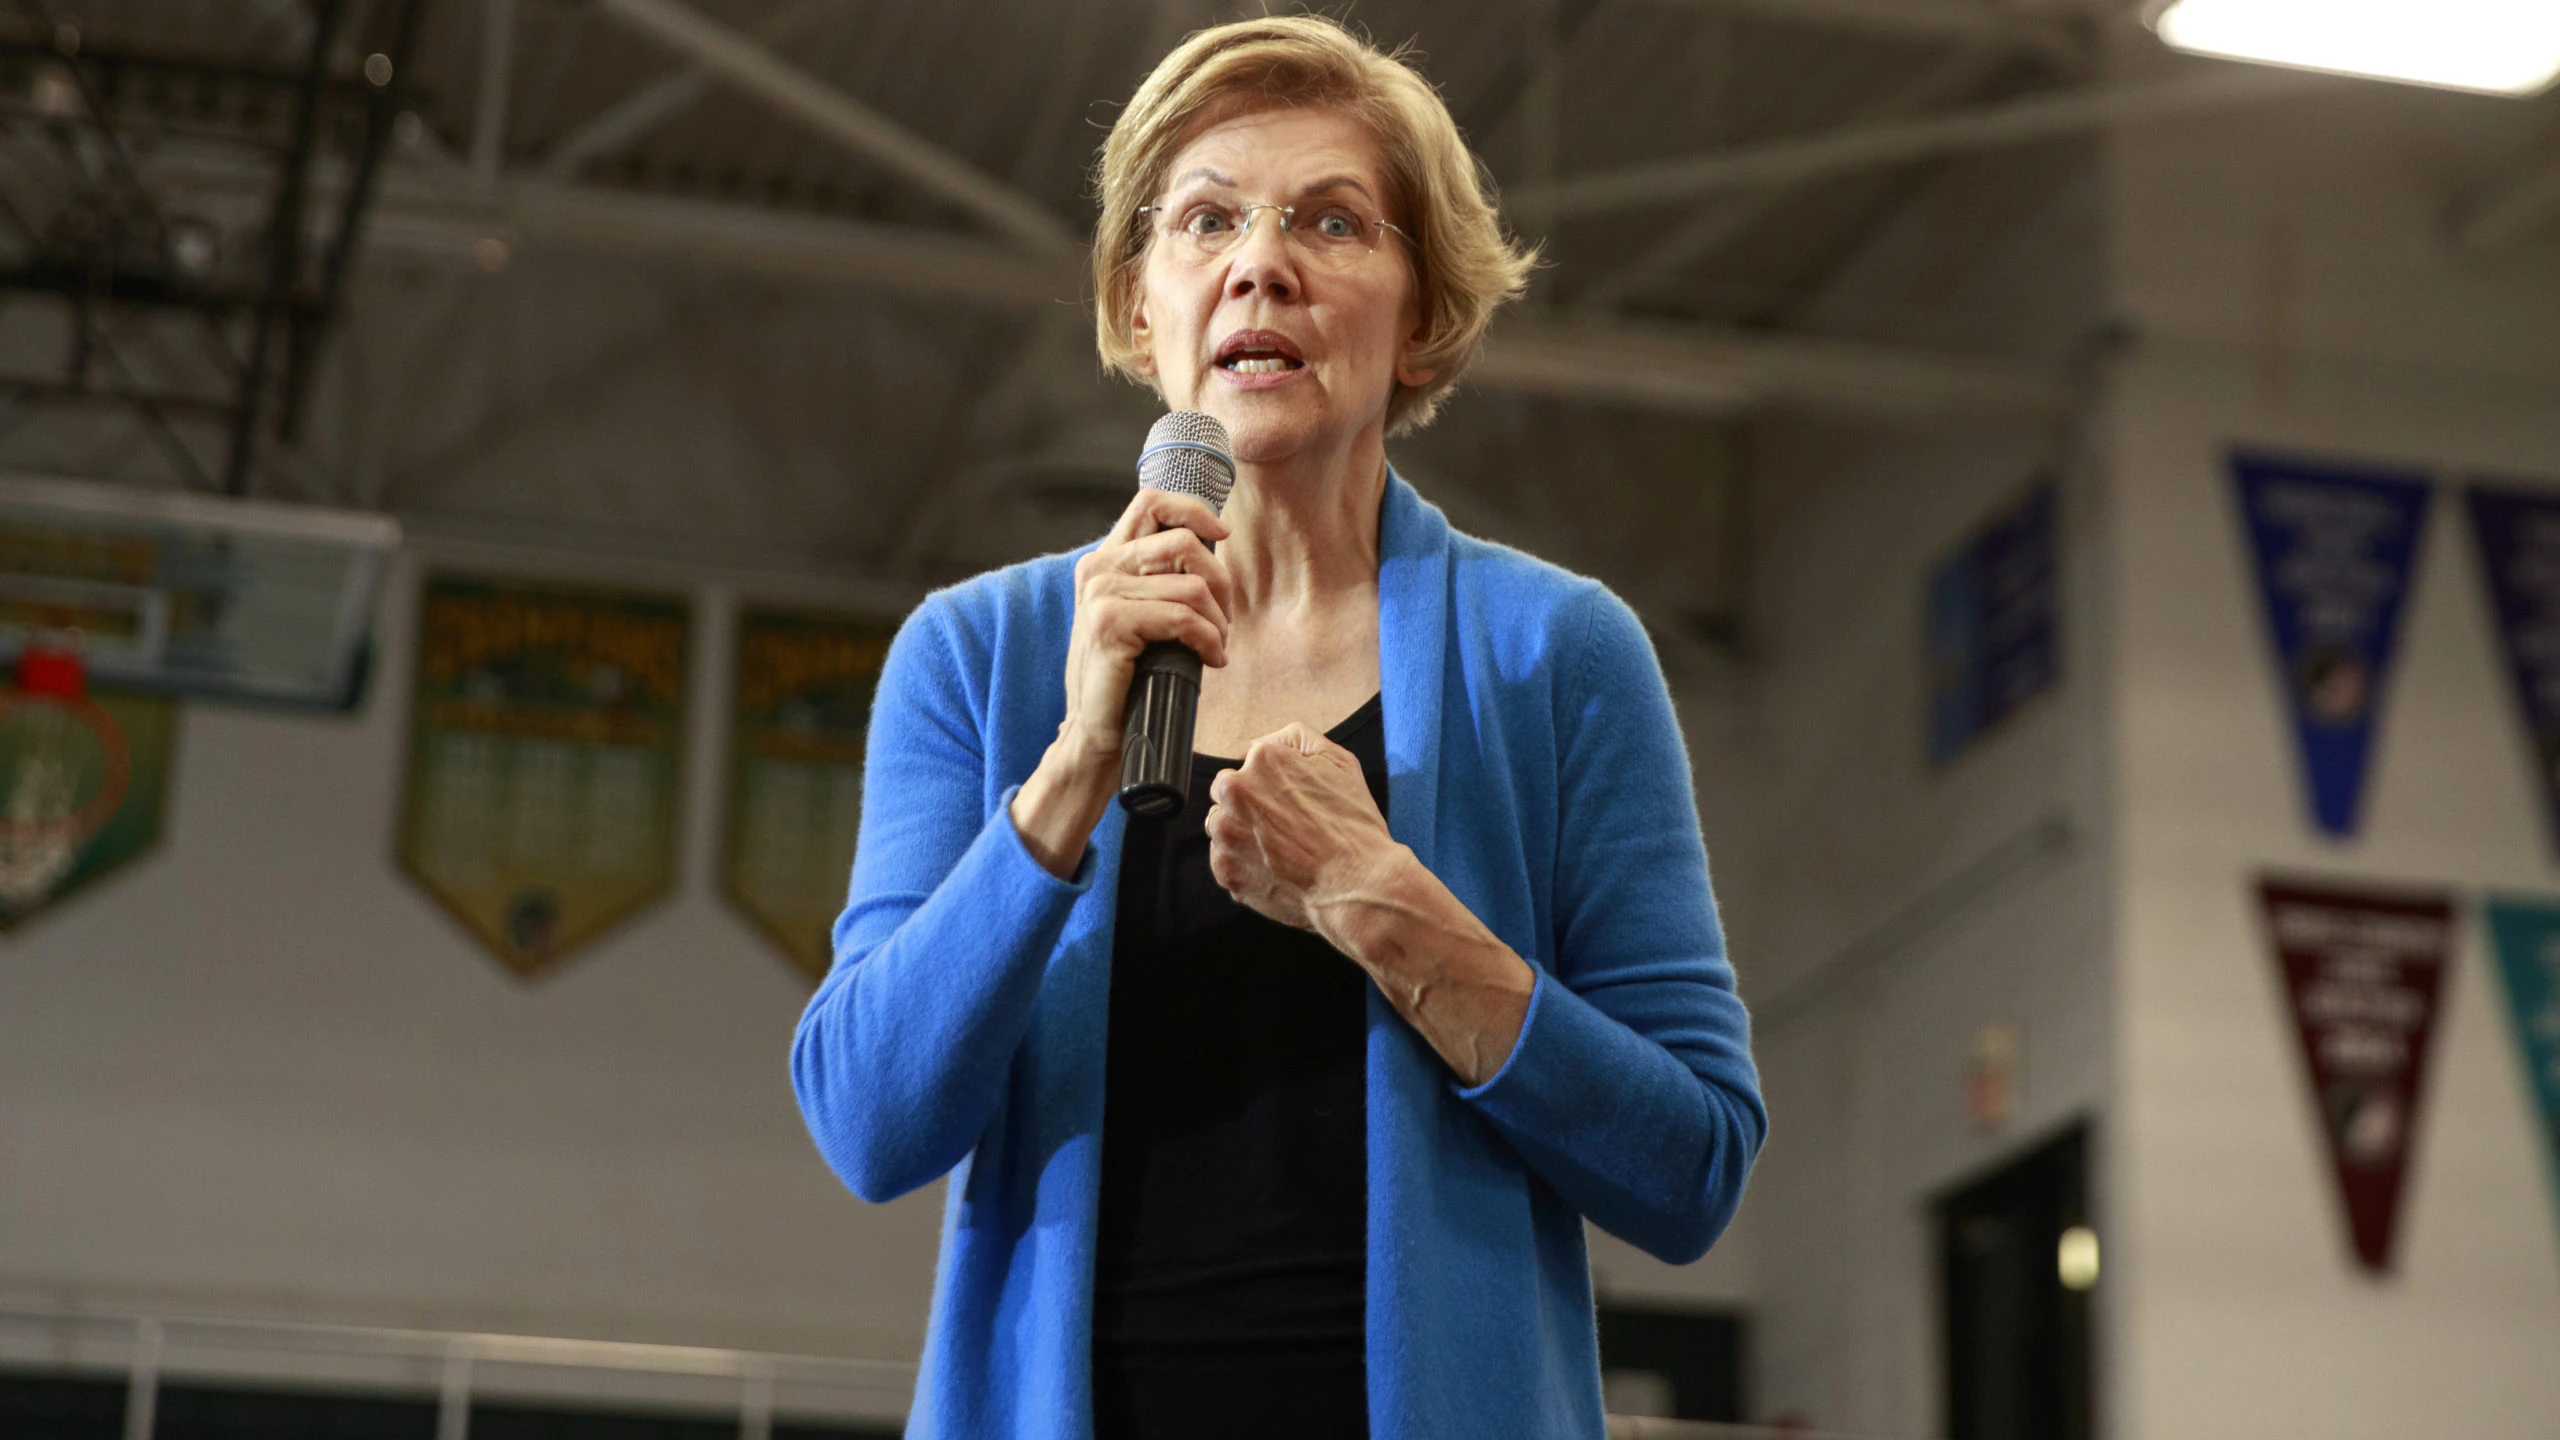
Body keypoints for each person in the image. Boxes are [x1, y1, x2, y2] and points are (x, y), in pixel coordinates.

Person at [791, 16, 1764, 1439]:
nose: (1263, 262)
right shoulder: (979, 653)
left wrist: (1393, 909)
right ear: (1140, 309)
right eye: (1205, 221)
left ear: (1421, 310)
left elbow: (1693, 1170)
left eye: (1332, 219)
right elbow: (871, 1124)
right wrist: (1068, 773)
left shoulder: (1556, 655)